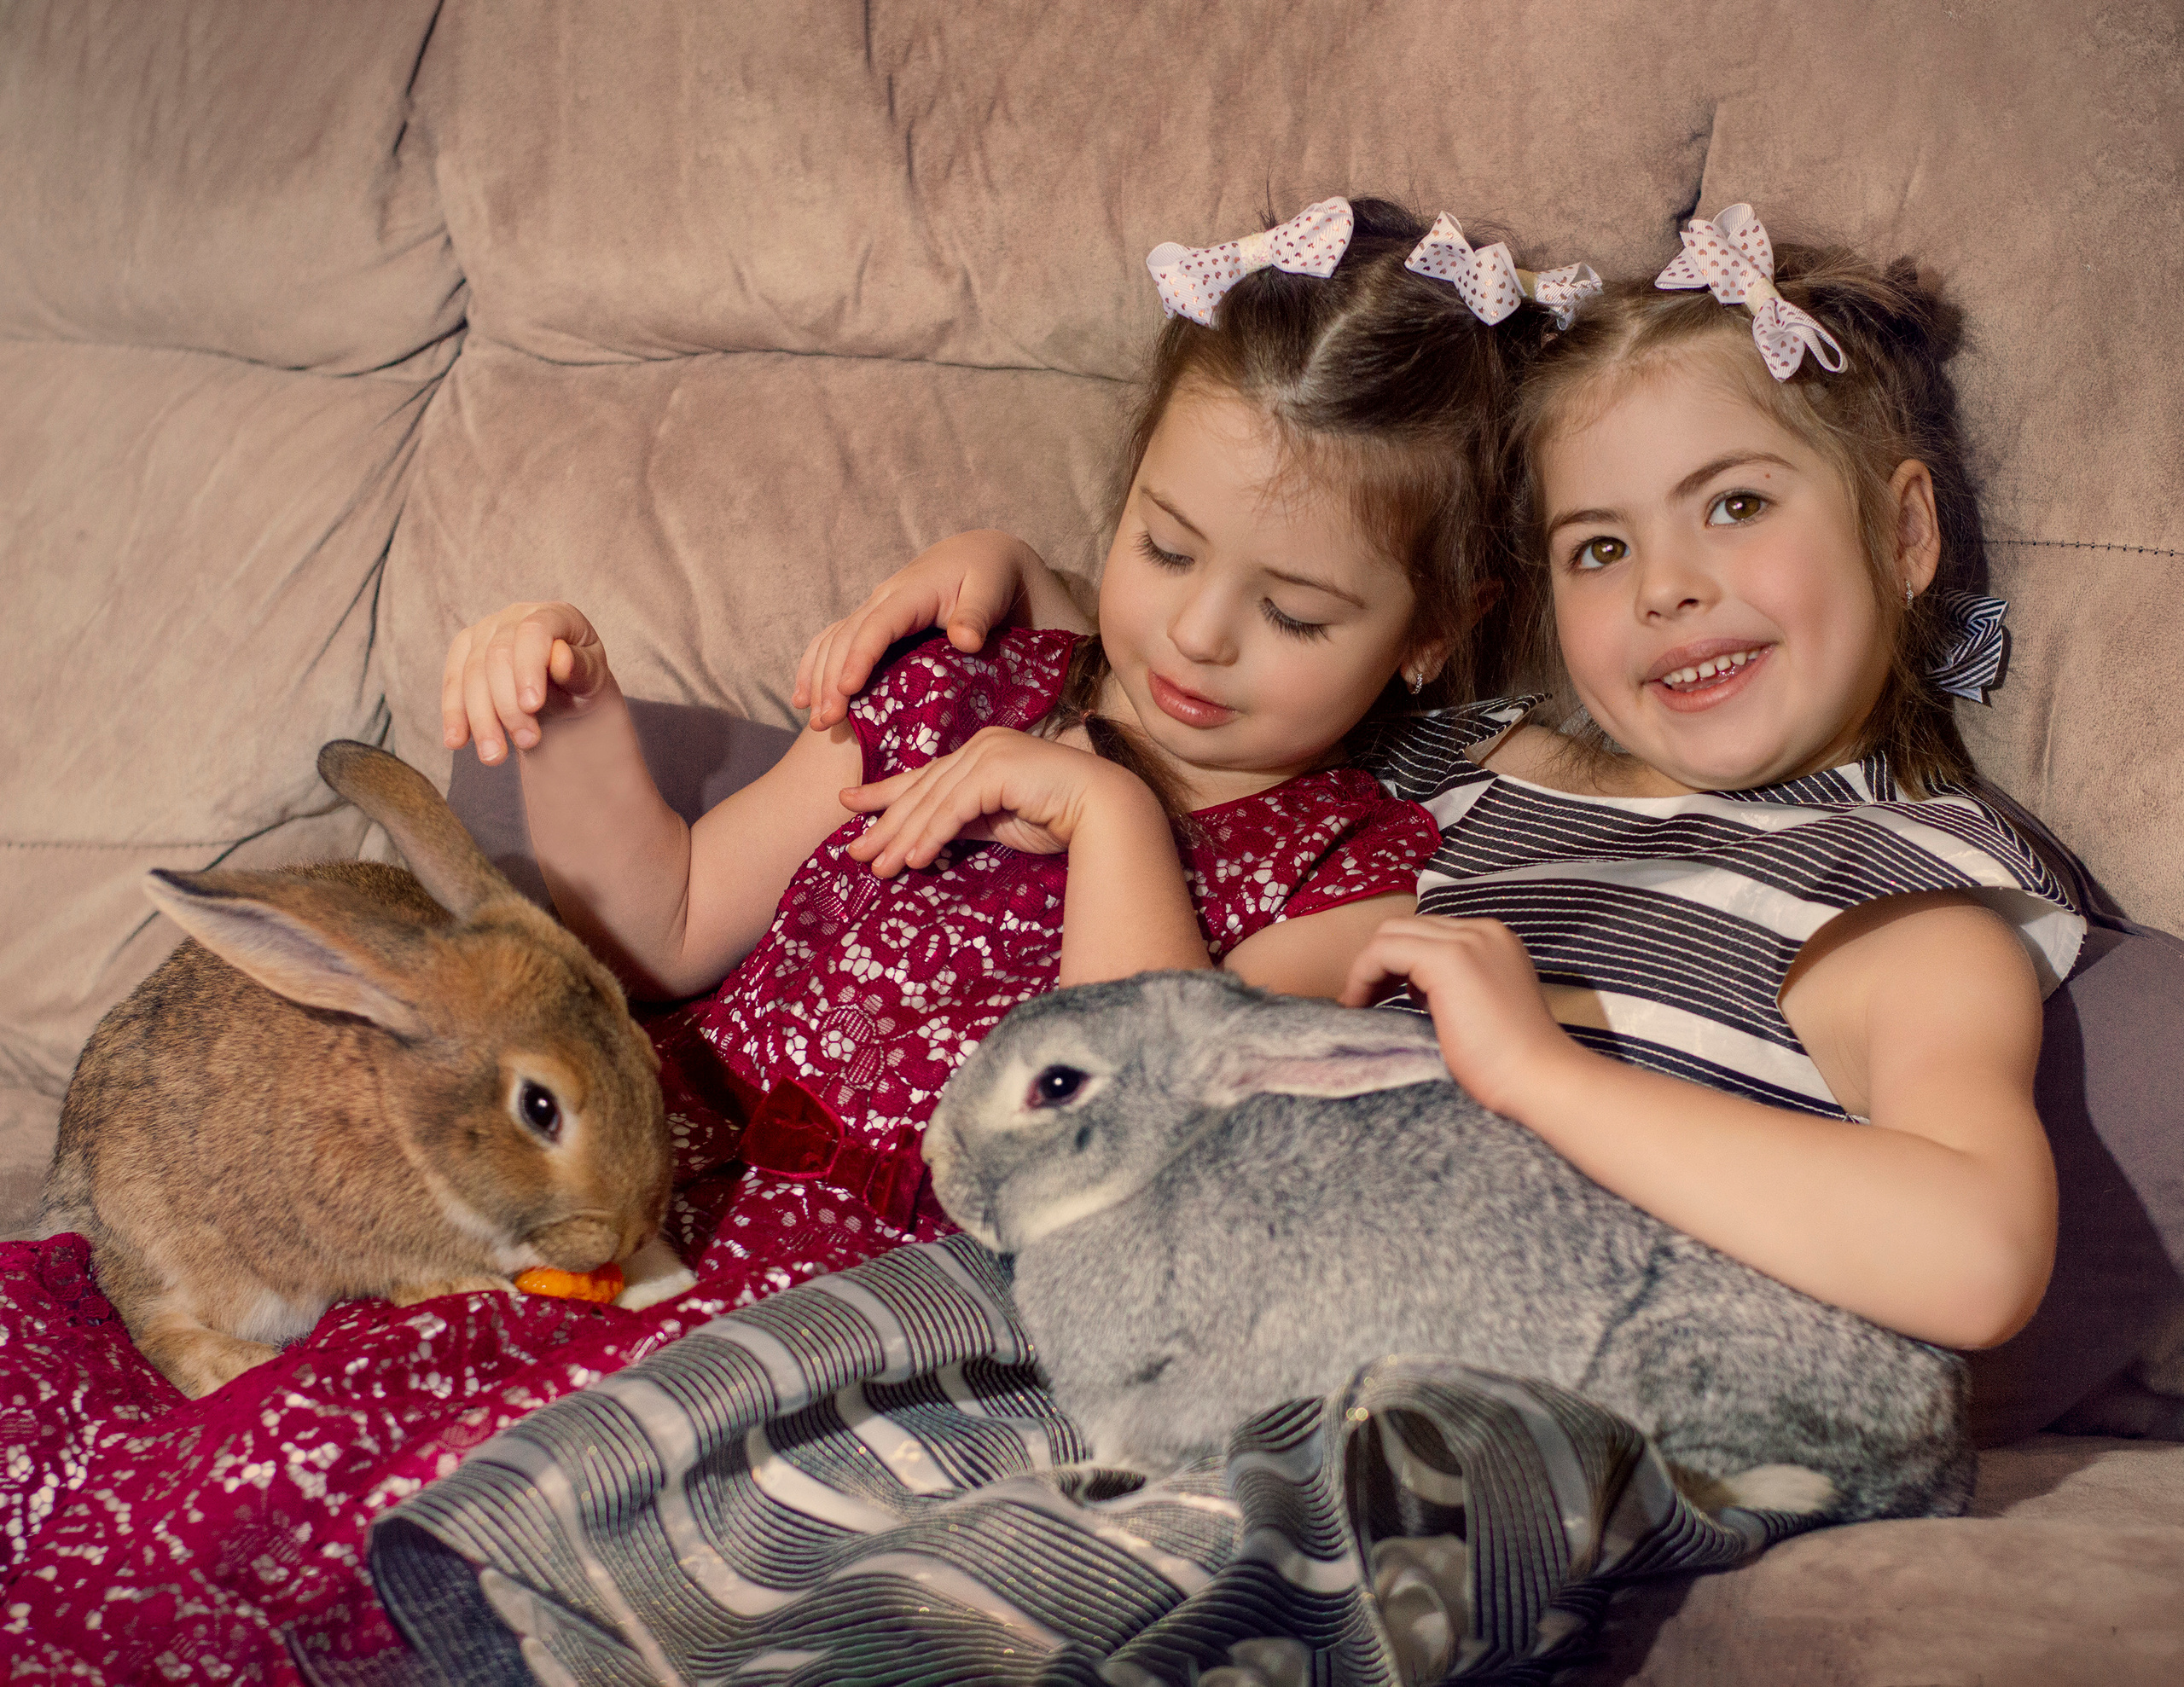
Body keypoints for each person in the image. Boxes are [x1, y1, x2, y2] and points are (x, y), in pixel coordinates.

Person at [813, 206, 2084, 1353]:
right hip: (1254, 1305)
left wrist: (1543, 1073)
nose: (1664, 587)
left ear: (1904, 532)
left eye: (1736, 506)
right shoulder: (1471, 762)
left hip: (1554, 1383)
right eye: (1599, 547)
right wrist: (1018, 581)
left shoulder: (1894, 895)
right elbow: (1234, 665)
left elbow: (1977, 1262)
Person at [440, 197, 1566, 1285]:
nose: (1197, 634)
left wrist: (1109, 815)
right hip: (635, 1185)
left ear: (1431, 632)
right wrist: (566, 712)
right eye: (1166, 549)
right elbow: (667, 931)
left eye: (1293, 612)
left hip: (885, 1292)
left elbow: (1137, 1152)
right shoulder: (957, 684)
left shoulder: (1350, 879)